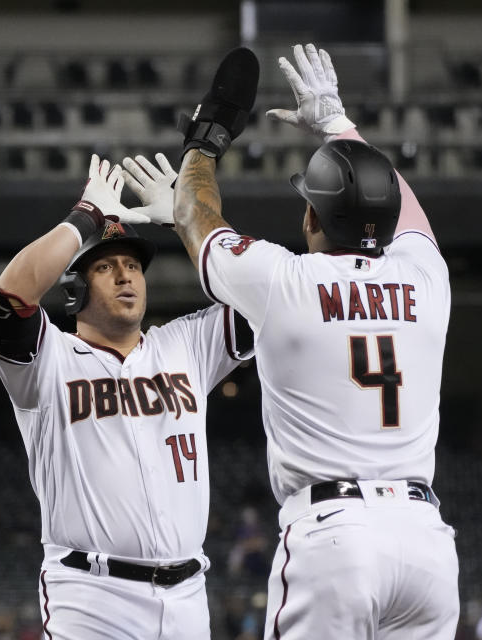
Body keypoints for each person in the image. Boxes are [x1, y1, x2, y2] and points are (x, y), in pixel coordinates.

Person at [171, 44, 459, 638]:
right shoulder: (426, 276)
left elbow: (195, 218)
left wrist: (202, 147)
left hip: (334, 532)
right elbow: (410, 218)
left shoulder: (284, 280)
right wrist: (337, 124)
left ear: (310, 219)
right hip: (426, 542)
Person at [0, 154, 253, 639]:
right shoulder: (50, 359)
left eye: (133, 265)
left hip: (189, 596)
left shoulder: (185, 344)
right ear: (74, 290)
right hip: (92, 598)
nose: (126, 275)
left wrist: (189, 220)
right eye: (106, 267)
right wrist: (84, 217)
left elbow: (265, 291)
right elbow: (9, 297)